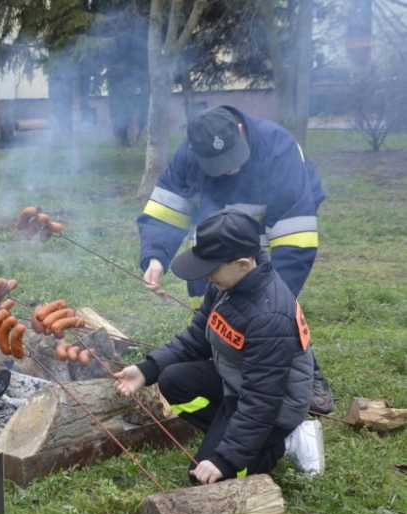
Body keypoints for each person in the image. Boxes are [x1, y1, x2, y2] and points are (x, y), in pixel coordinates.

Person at [137, 105, 334, 414]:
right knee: (219, 292)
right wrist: (155, 257)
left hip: (275, 222)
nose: (230, 170)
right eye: (219, 165)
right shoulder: (190, 154)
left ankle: (305, 371)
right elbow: (166, 211)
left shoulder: (278, 149)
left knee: (269, 308)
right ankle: (221, 359)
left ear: (241, 132)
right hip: (220, 224)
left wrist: (274, 301)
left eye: (233, 161)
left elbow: (295, 238)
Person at [117, 209, 324, 485]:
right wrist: (147, 369)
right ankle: (236, 435)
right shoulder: (226, 285)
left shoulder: (270, 316)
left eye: (210, 268)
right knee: (171, 381)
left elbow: (262, 399)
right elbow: (197, 338)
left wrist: (225, 458)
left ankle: (283, 442)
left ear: (242, 263)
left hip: (274, 406)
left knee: (205, 477)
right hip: (236, 382)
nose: (205, 276)